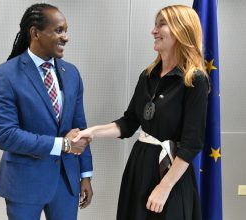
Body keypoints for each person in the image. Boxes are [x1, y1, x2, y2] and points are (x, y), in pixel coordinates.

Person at [73, 5, 208, 220]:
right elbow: (128, 123)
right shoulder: (147, 76)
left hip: (171, 171)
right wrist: (91, 132)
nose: (153, 31)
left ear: (182, 30)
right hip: (140, 166)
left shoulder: (195, 80)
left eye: (162, 24)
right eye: (155, 25)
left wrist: (164, 187)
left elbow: (192, 143)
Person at [0, 3, 93, 220]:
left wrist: (85, 175)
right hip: (24, 184)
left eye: (66, 30)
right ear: (35, 32)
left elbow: (80, 127)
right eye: (59, 30)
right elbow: (6, 136)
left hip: (66, 182)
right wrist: (62, 144)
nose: (66, 37)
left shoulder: (72, 73)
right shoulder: (4, 75)